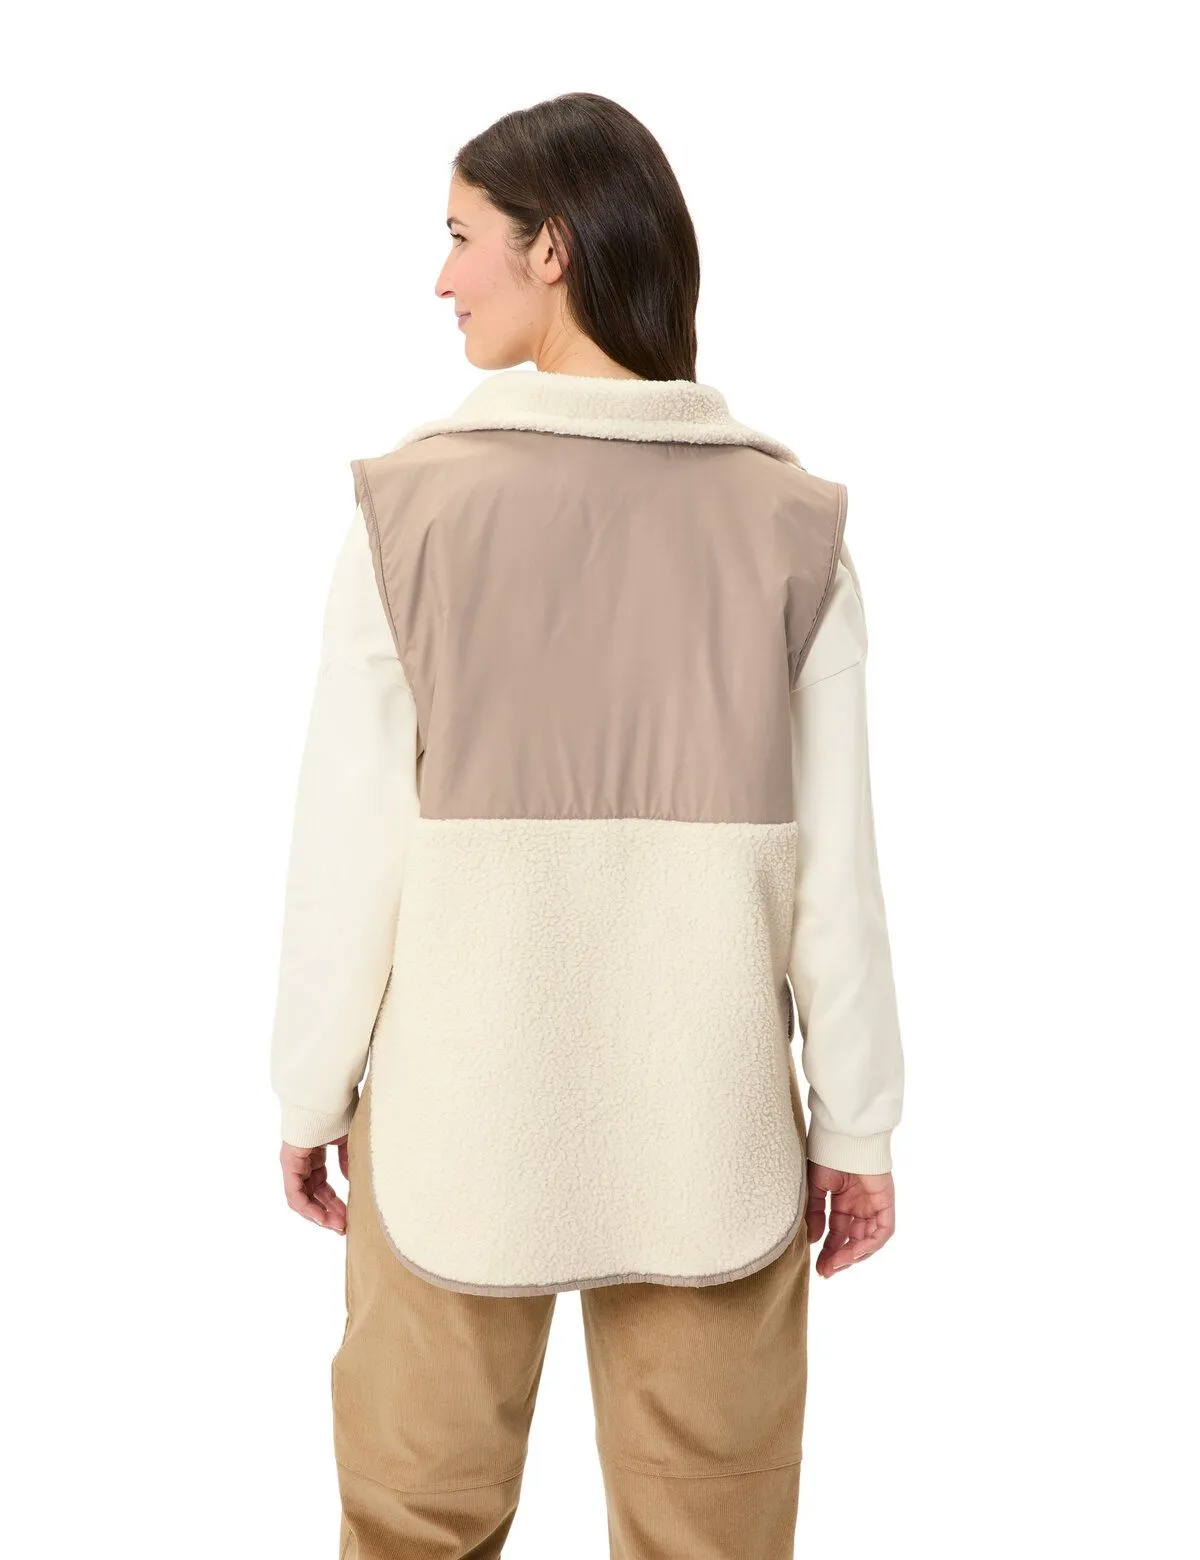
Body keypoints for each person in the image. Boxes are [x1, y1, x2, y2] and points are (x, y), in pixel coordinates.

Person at [268, 91, 905, 1560]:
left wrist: (308, 1094)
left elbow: (348, 860)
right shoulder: (790, 526)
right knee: (712, 1533)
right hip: (710, 1118)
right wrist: (856, 1121)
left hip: (452, 1112)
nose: (441, 277)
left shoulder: (409, 517)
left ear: (551, 249)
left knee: (414, 1522)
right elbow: (839, 873)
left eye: (461, 237)